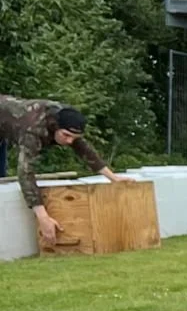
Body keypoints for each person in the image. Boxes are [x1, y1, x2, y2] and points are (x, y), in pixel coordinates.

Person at [0, 97, 123, 248]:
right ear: (55, 126)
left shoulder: (67, 117)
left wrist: (114, 178)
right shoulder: (33, 129)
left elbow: (85, 150)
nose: (70, 141)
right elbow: (25, 172)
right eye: (66, 135)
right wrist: (43, 217)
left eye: (74, 137)